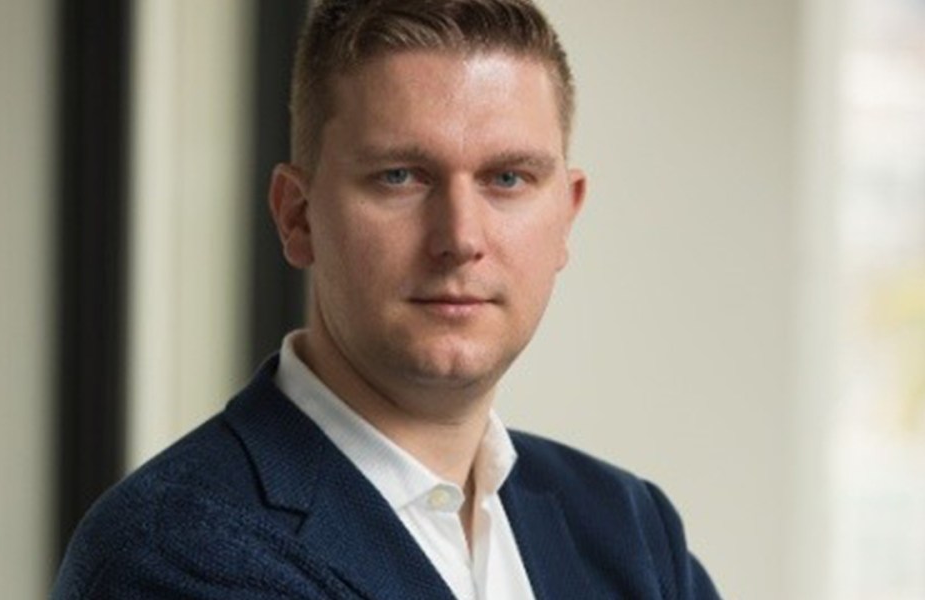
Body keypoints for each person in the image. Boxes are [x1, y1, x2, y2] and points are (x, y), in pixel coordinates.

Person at [52, 1, 721, 598]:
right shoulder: (173, 553)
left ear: (566, 217)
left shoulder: (629, 528)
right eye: (400, 176)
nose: (460, 238)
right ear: (297, 216)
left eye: (508, 178)